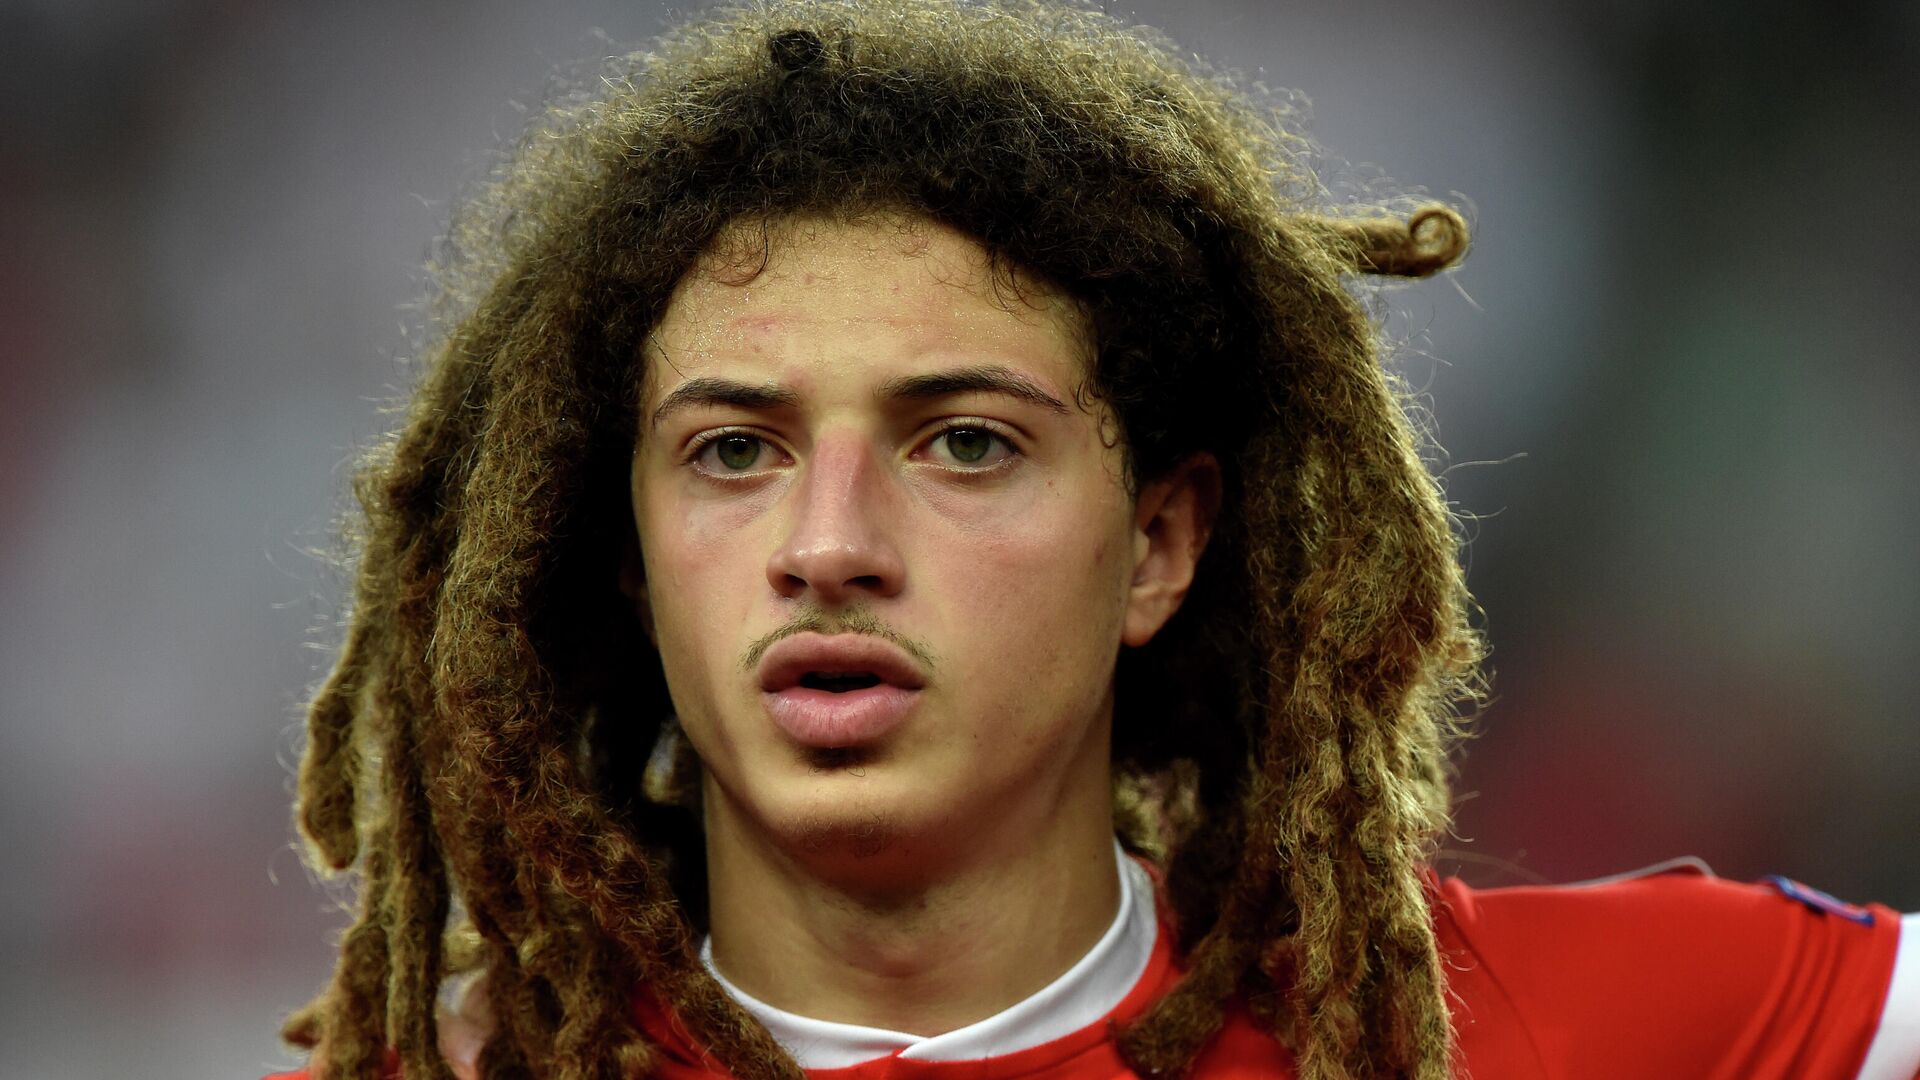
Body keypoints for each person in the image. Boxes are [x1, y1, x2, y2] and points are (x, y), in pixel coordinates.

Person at [268, 2, 1918, 1078]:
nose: (827, 544)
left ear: (1159, 544)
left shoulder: (1524, 1037)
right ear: (629, 561)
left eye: (965, 443)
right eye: (733, 453)